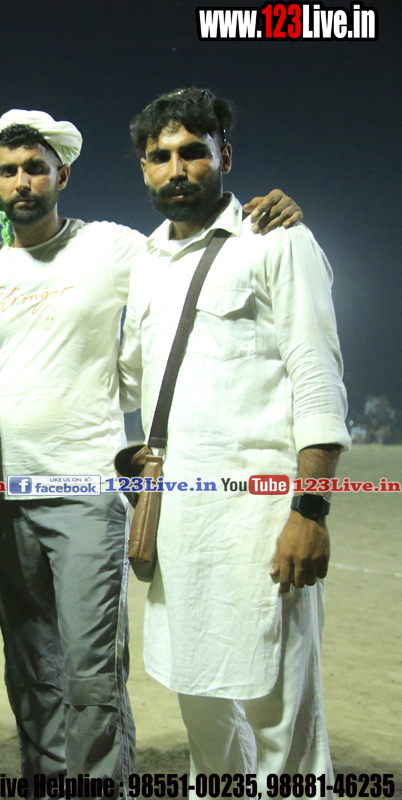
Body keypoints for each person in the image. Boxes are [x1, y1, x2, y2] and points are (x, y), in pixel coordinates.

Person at [0, 109, 304, 784]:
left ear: (62, 174)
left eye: (36, 169)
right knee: (30, 669)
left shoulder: (113, 247)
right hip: (2, 496)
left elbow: (193, 249)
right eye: (9, 171)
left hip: (87, 491)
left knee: (90, 673)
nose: (22, 182)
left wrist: (267, 216)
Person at [119, 88, 347, 784]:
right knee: (201, 702)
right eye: (160, 156)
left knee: (282, 716)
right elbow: (130, 380)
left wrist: (309, 512)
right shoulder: (146, 263)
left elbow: (317, 379)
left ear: (225, 155)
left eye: (193, 151)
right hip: (179, 527)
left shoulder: (278, 241)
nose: (177, 169)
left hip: (263, 524)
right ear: (144, 167)